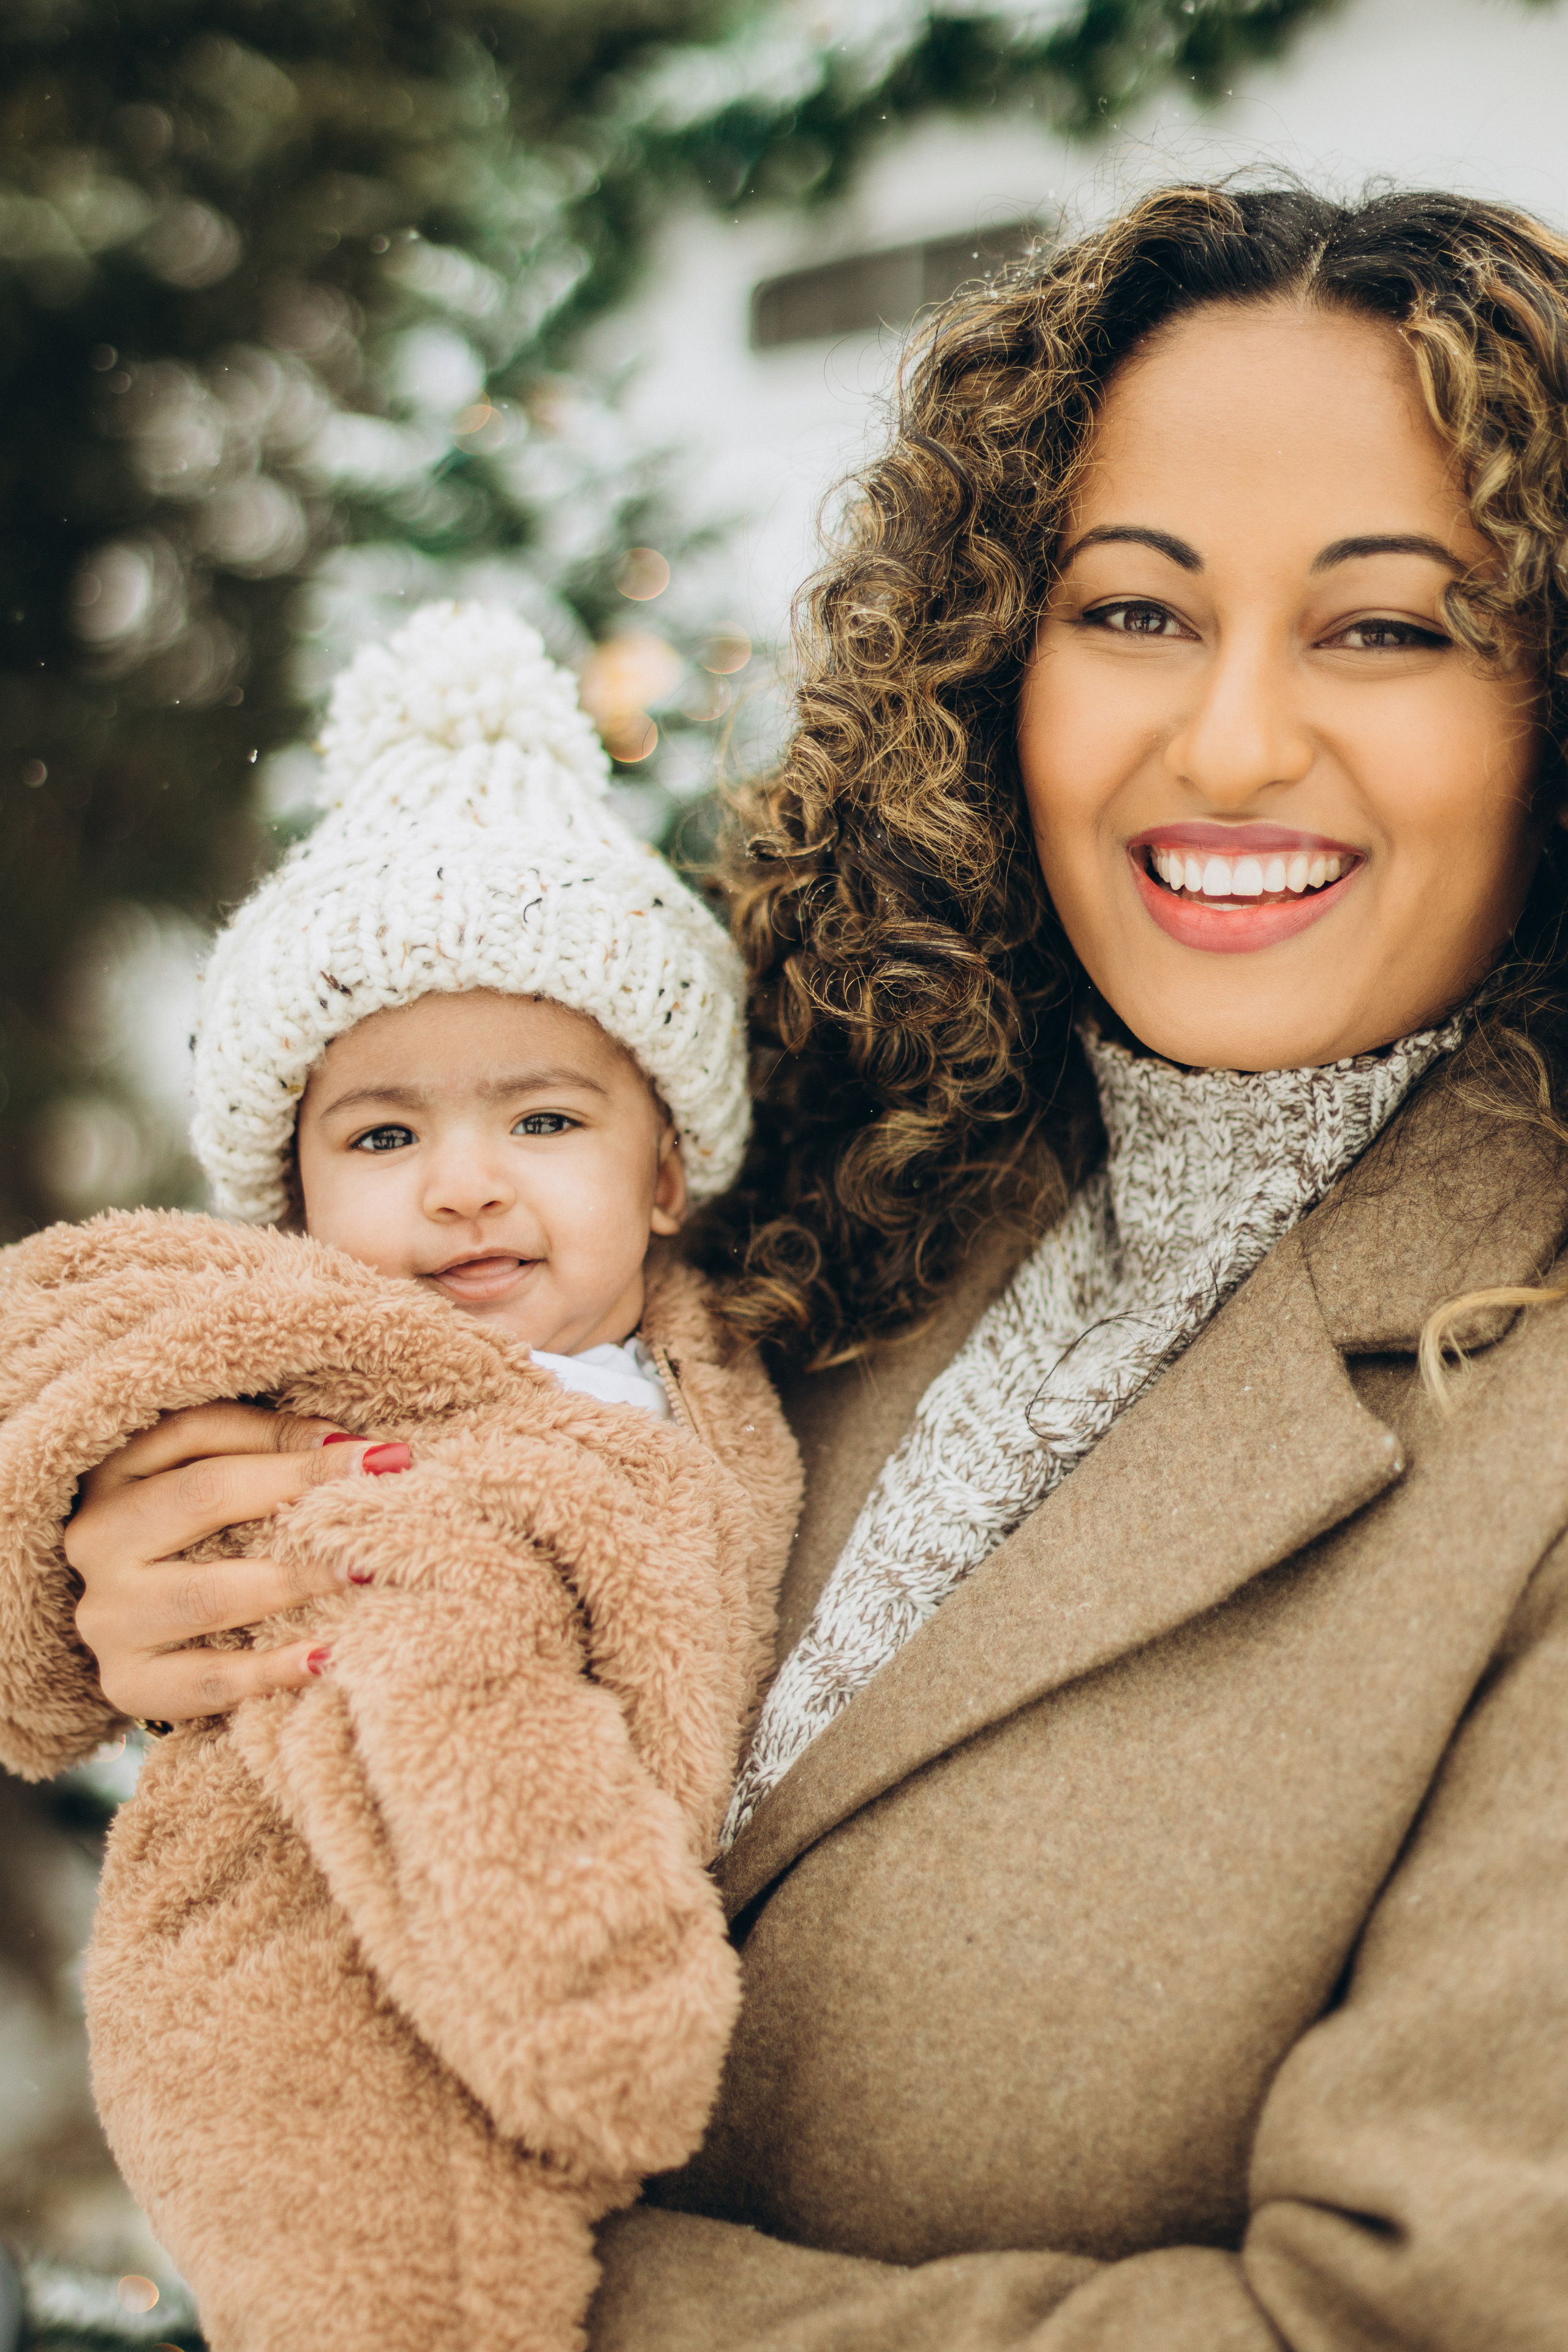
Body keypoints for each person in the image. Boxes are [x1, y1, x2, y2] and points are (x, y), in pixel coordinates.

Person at [43, 180, 1568, 2346]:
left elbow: (1408, 2323)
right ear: (990, 661)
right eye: (1131, 610)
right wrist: (126, 1534)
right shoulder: (836, 1165)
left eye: (1394, 626)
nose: (1229, 743)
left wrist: (464, 2290)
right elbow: (300, 1355)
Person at [0, 601, 800, 2352]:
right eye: (383, 1136)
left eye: (542, 1120)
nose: (462, 1188)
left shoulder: (697, 1363)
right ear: (289, 1197)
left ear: (668, 1170)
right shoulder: (373, 1443)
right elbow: (461, 1712)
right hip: (320, 2018)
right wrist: (604, 2013)